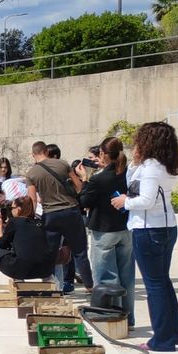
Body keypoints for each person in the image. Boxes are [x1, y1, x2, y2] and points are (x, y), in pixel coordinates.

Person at [111, 122, 178, 351]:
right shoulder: (161, 164)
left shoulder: (152, 166)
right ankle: (172, 332)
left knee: (155, 285)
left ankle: (162, 340)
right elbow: (133, 181)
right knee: (162, 281)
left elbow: (146, 200)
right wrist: (134, 161)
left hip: (149, 229)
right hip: (163, 227)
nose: (136, 142)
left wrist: (125, 202)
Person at [71, 138, 135, 327]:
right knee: (127, 278)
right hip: (125, 229)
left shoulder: (98, 179)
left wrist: (84, 179)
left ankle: (112, 319)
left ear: (102, 154)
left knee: (107, 278)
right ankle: (128, 319)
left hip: (104, 231)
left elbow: (83, 202)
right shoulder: (128, 174)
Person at [25, 140, 92, 293]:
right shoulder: (62, 164)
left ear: (33, 154)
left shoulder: (31, 174)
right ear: (46, 151)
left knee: (50, 253)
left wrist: (30, 218)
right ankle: (90, 287)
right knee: (80, 252)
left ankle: (51, 289)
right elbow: (78, 186)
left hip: (50, 215)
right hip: (71, 211)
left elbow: (32, 199)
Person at [0, 196, 55, 280]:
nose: (11, 210)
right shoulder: (40, 222)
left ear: (18, 209)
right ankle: (48, 280)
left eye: (12, 208)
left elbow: (2, 245)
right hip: (45, 270)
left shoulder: (15, 222)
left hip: (21, 270)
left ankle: (18, 279)